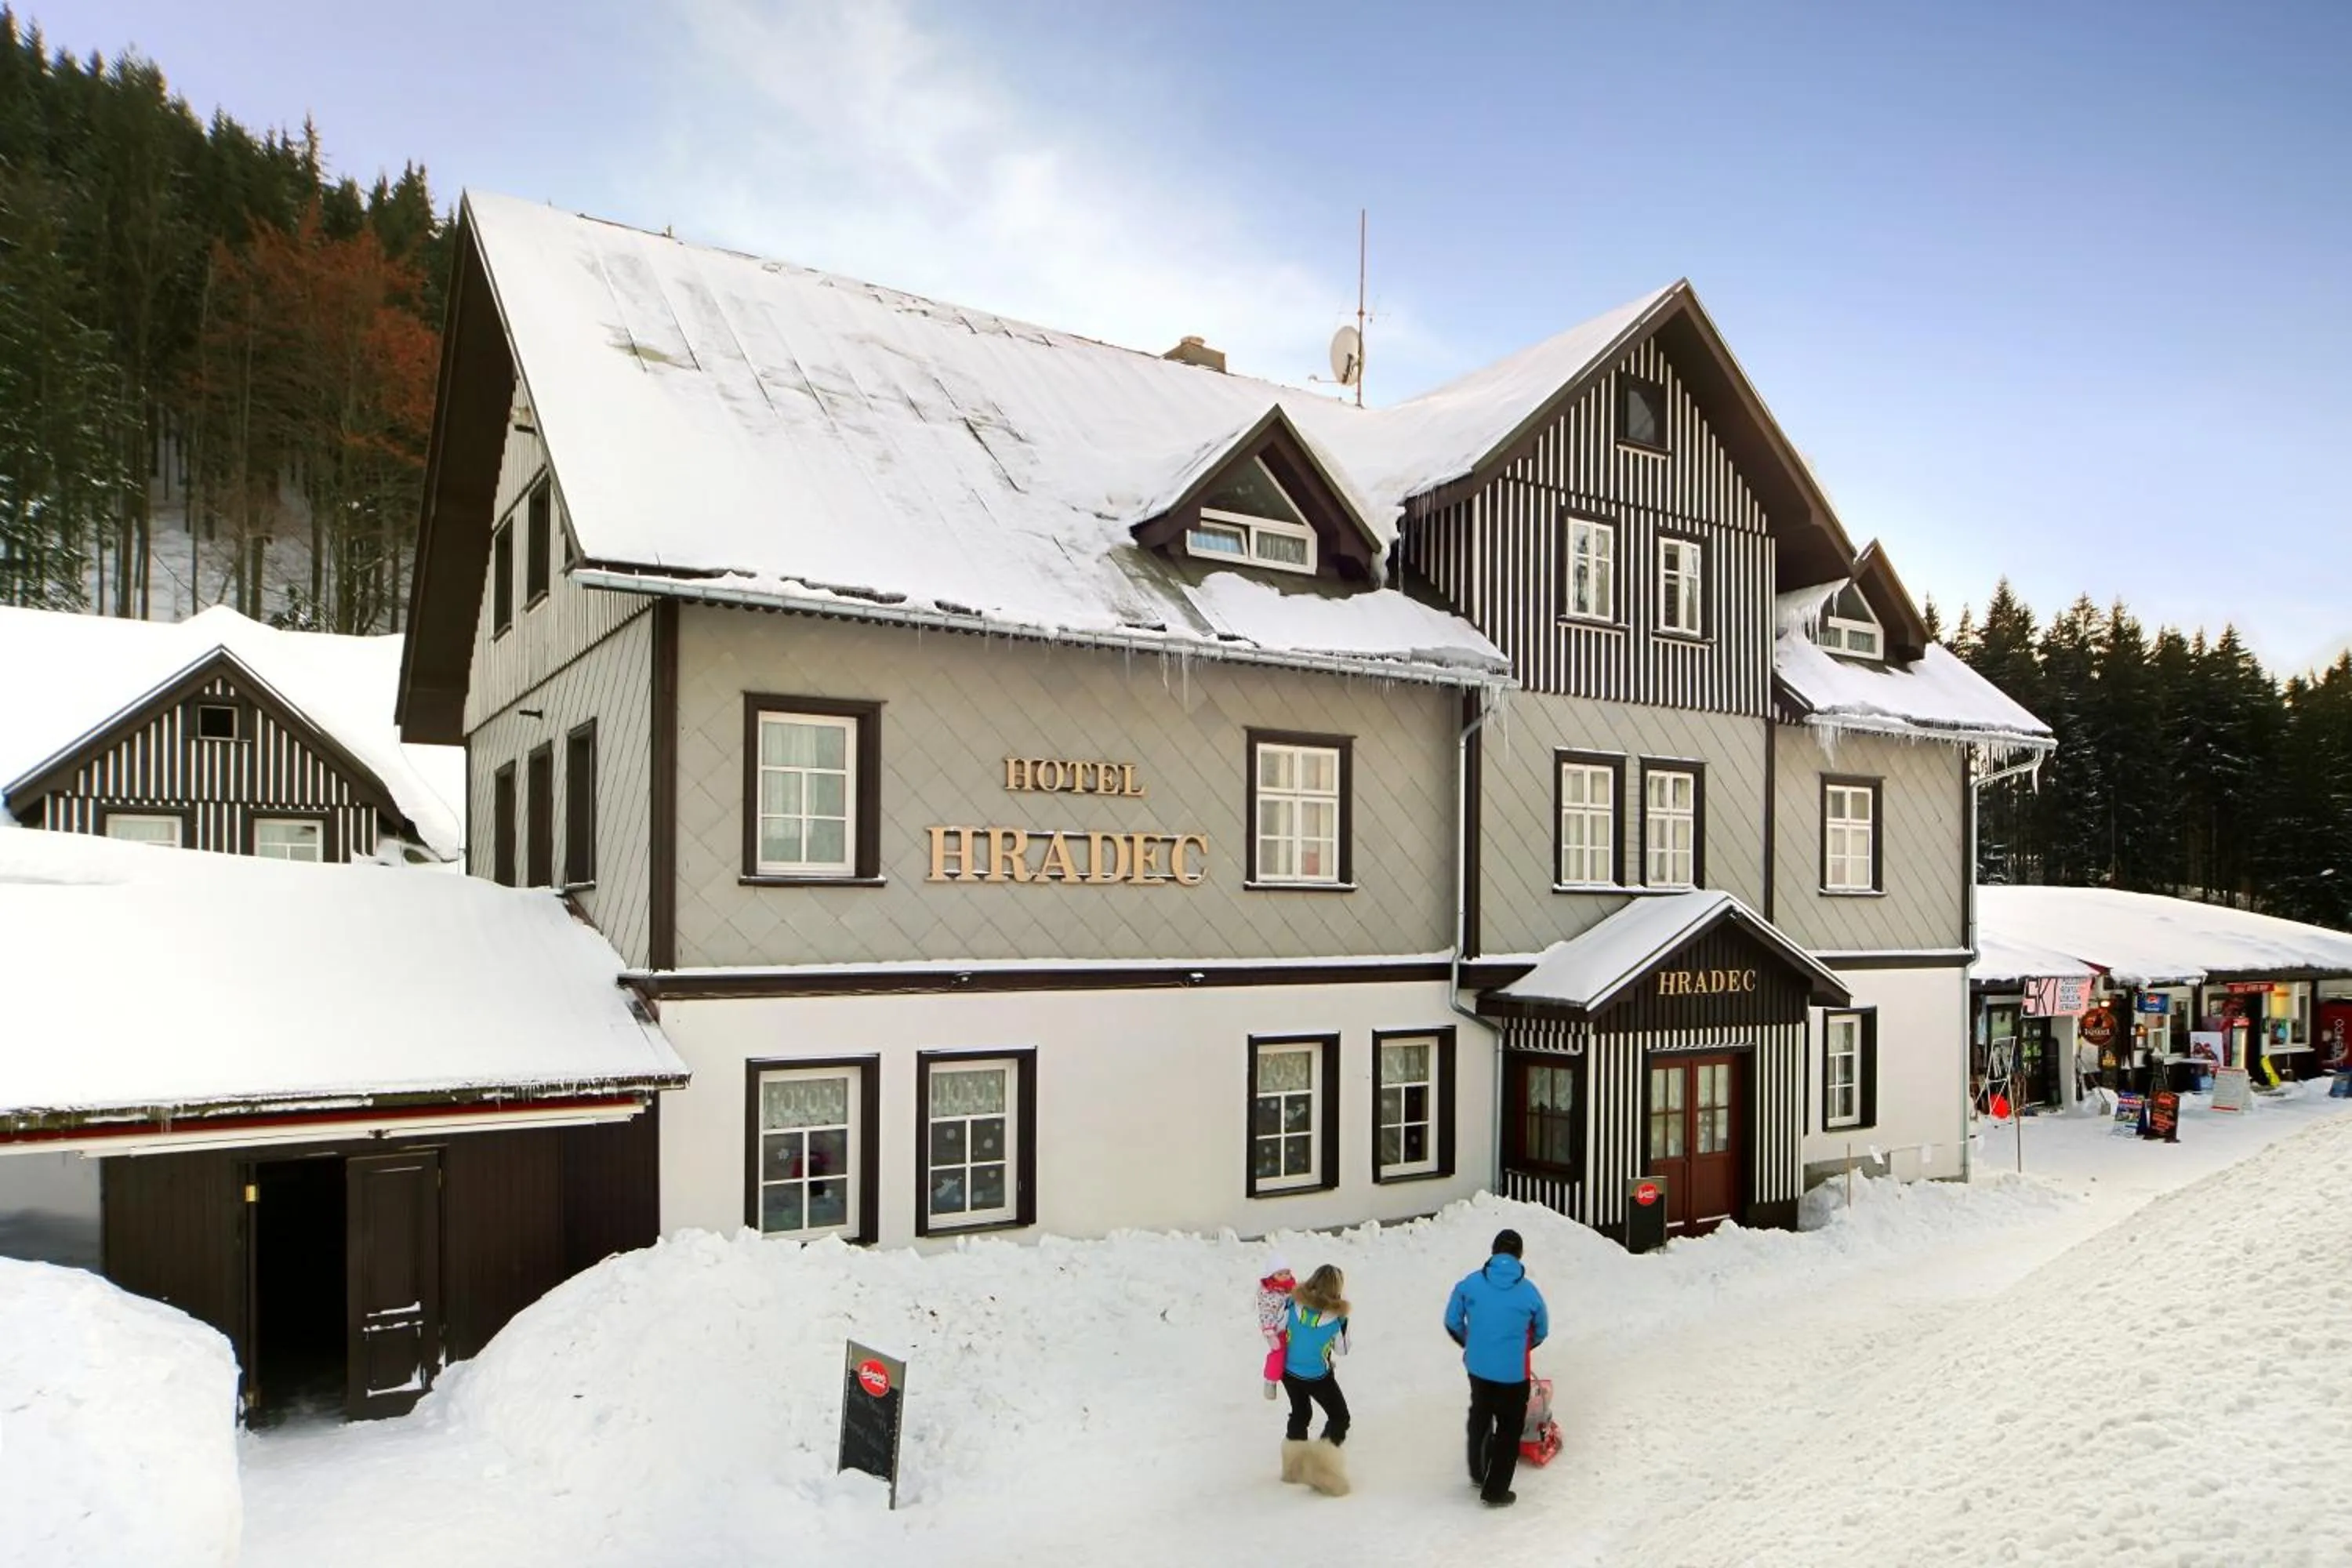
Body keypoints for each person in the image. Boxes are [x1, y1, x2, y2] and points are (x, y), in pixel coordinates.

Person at [1443, 1228, 1549, 1508]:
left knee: (1480, 1413)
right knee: (1509, 1429)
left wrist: (1473, 1343)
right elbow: (1542, 1330)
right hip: (1514, 1374)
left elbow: (1452, 1321)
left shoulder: (1470, 1284)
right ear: (1520, 1255)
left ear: (1493, 1251)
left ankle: (1479, 1473)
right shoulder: (1529, 1292)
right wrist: (1520, 1348)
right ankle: (1495, 1491)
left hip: (1478, 1368)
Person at [1277, 1264, 1352, 1496]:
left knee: (1300, 1413)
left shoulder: (1292, 1304)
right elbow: (1343, 1350)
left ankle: (1294, 1467)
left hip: (1289, 1372)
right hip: (1318, 1377)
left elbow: (1278, 1327)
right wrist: (1344, 1324)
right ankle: (1323, 1469)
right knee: (1339, 1417)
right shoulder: (1335, 1320)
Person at [1254, 1254, 1295, 1401]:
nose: (1285, 1276)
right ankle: (1270, 1382)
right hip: (1277, 1330)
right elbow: (1266, 1313)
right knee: (1278, 1353)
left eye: (1287, 1273)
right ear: (1272, 1275)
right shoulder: (1268, 1293)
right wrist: (1270, 1333)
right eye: (1280, 1274)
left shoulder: (1292, 1286)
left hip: (1293, 1325)